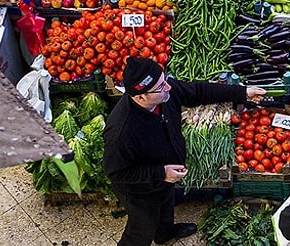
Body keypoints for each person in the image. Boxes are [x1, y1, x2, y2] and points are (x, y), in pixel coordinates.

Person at [103, 57, 266, 245]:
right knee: (142, 228)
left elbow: (198, 91)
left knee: (166, 206)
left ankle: (165, 233)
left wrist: (243, 92)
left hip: (165, 176)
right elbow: (116, 172)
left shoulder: (164, 93)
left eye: (165, 80)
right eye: (161, 87)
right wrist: (161, 173)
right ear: (141, 97)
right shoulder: (121, 131)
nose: (168, 87)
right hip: (140, 190)